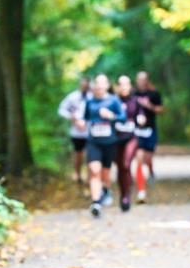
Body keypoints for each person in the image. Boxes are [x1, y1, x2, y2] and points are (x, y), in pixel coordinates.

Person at [77, 73, 126, 218]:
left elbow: (122, 117)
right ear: (94, 86)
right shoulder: (89, 102)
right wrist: (81, 123)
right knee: (94, 170)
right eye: (96, 83)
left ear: (106, 86)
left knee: (105, 173)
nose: (98, 86)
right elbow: (85, 119)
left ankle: (106, 189)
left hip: (109, 142)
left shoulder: (113, 101)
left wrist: (111, 116)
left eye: (101, 83)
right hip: (93, 142)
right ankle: (96, 203)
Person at [113, 75, 143, 212]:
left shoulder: (135, 100)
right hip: (116, 138)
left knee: (126, 163)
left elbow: (141, 114)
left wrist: (141, 118)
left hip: (131, 137)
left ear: (130, 86)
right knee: (120, 168)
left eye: (126, 84)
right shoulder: (113, 101)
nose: (124, 87)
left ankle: (127, 194)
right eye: (121, 84)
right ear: (117, 86)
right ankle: (123, 193)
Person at [133, 71, 165, 203]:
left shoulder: (154, 94)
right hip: (136, 131)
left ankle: (151, 171)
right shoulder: (133, 94)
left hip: (150, 130)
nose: (141, 81)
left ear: (147, 80)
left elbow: (161, 110)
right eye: (139, 79)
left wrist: (149, 106)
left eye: (143, 79)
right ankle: (141, 191)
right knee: (139, 159)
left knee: (147, 158)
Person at [57, 77, 89, 184]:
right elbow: (61, 109)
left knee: (91, 154)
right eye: (82, 85)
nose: (84, 87)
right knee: (78, 153)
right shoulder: (72, 97)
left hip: (90, 131)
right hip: (77, 132)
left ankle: (90, 177)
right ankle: (78, 174)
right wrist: (71, 117)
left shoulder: (92, 96)